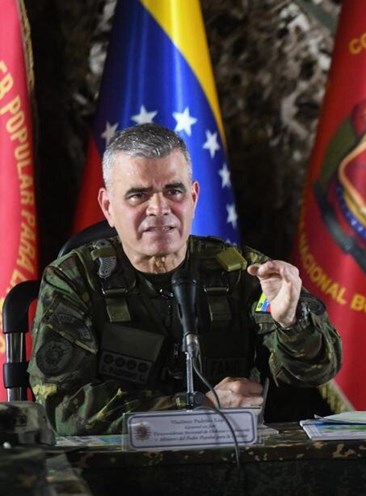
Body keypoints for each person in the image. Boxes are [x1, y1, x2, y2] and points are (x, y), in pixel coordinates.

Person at [28, 123, 343, 435]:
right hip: (117, 473)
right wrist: (198, 406)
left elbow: (315, 371)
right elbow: (63, 409)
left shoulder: (243, 271)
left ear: (193, 197)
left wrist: (291, 323)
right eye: (138, 195)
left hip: (227, 465)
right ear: (108, 207)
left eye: (173, 191)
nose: (159, 208)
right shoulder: (73, 279)